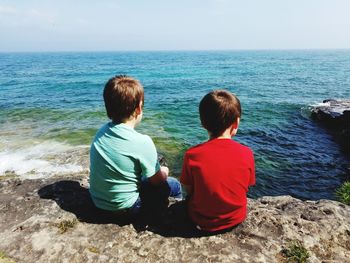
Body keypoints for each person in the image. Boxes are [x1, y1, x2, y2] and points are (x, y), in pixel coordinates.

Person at [89, 75, 182, 219]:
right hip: (127, 208)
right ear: (139, 108)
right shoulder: (142, 141)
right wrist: (164, 170)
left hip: (98, 203)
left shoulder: (101, 132)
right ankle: (172, 216)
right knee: (174, 184)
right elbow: (158, 181)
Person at [180, 90, 255, 233]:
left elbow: (188, 189)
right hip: (235, 218)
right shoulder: (247, 153)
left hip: (199, 220)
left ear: (202, 123)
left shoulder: (192, 155)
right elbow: (246, 186)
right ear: (237, 122)